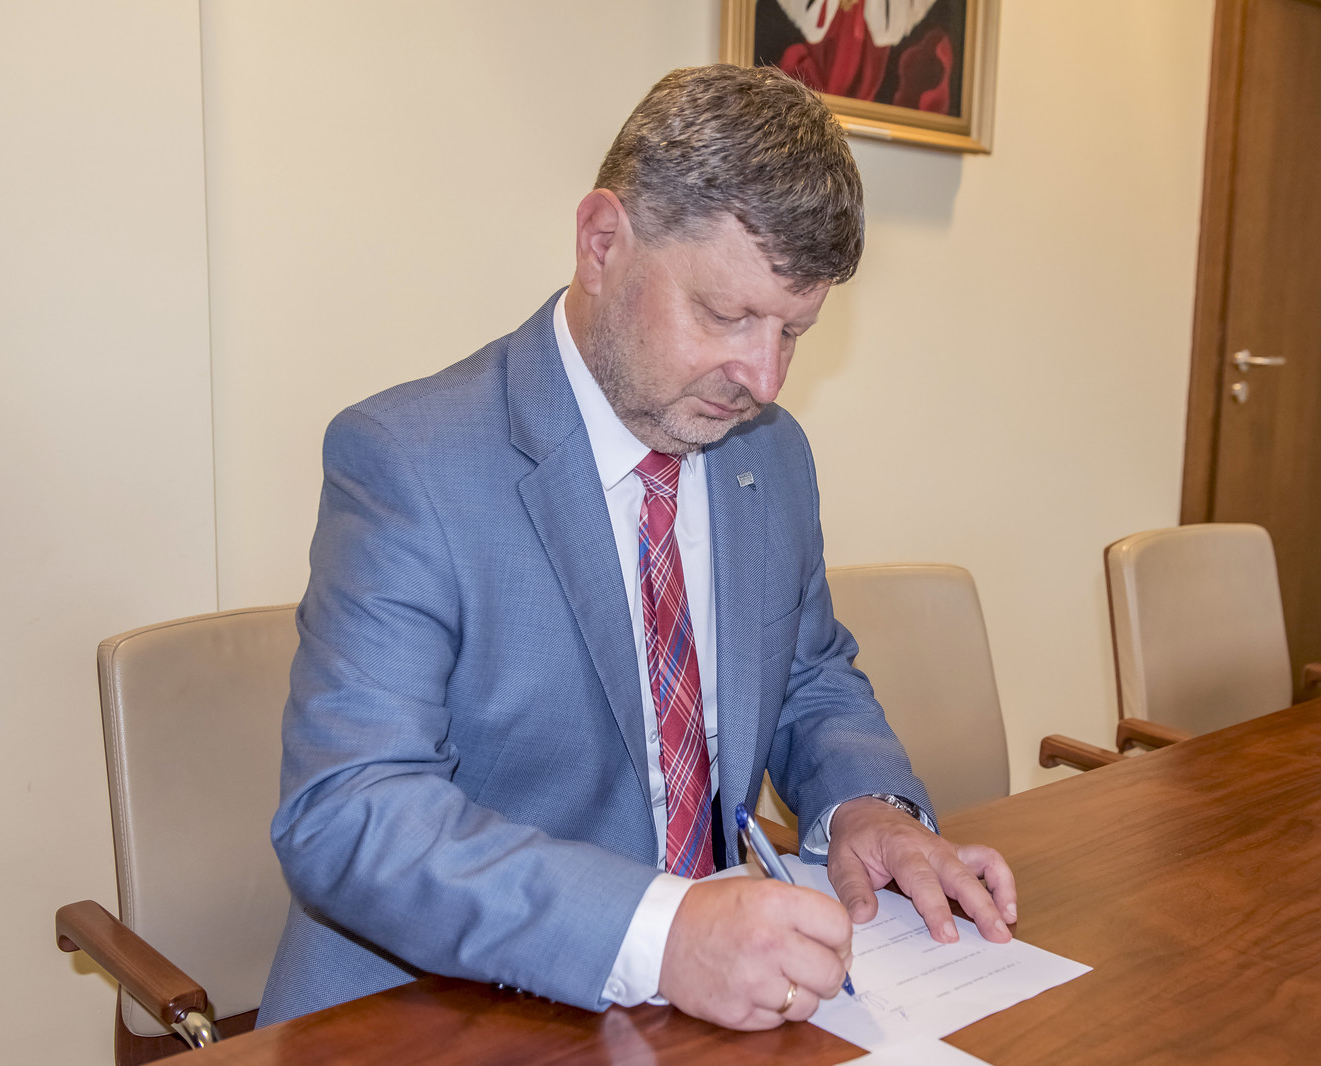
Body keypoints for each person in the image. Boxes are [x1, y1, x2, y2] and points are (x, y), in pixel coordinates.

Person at [258, 63, 1015, 1033]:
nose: (764, 379)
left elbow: (807, 676)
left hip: (697, 1011)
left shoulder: (768, 454)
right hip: (440, 1012)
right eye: (727, 315)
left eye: (793, 331)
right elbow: (351, 810)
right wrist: (661, 934)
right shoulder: (410, 461)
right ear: (601, 242)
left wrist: (865, 807)